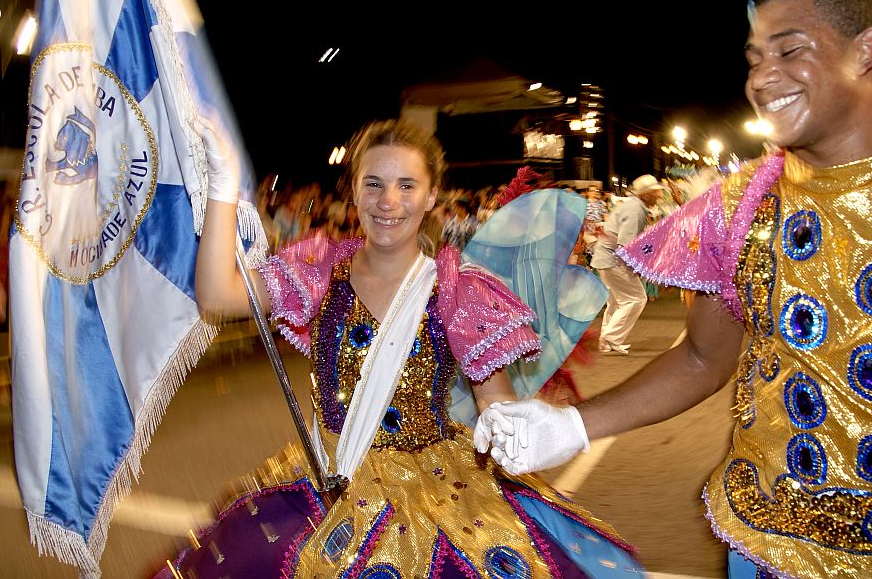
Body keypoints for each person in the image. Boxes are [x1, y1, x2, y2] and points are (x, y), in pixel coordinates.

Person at [476, 0, 872, 577]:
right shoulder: (733, 208)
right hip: (762, 545)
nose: (762, 78)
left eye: (789, 50)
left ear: (865, 51)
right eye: (754, 59)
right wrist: (568, 427)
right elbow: (700, 357)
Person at [162, 119, 642, 577]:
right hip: (324, 469)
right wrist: (223, 191)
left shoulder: (459, 289)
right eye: (373, 184)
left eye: (407, 185)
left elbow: (495, 404)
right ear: (353, 191)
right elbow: (217, 296)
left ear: (432, 194)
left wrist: (510, 431)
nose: (388, 201)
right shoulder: (319, 267)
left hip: (433, 487)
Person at [590, 174, 664, 355]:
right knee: (636, 299)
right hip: (612, 259)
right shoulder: (635, 209)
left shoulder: (633, 206)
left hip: (605, 258)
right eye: (656, 193)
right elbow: (626, 244)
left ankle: (606, 341)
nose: (659, 196)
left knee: (617, 302)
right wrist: (635, 268)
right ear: (645, 194)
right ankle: (611, 337)